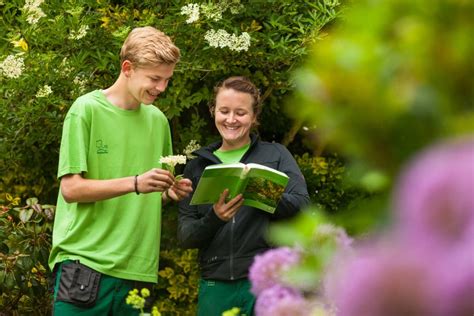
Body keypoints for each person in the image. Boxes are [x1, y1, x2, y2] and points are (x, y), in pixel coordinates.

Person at [48, 26, 193, 315]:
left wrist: (169, 192)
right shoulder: (85, 110)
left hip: (138, 270)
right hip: (84, 264)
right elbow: (71, 189)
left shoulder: (158, 121)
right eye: (154, 78)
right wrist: (136, 182)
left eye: (167, 80)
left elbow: (150, 194)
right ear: (128, 68)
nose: (161, 88)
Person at [178, 76, 310, 315]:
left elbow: (302, 205)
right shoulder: (196, 167)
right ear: (213, 111)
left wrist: (259, 190)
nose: (231, 119)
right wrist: (216, 217)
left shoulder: (277, 155)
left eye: (240, 112)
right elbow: (186, 236)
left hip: (265, 284)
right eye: (224, 111)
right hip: (214, 284)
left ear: (254, 116)